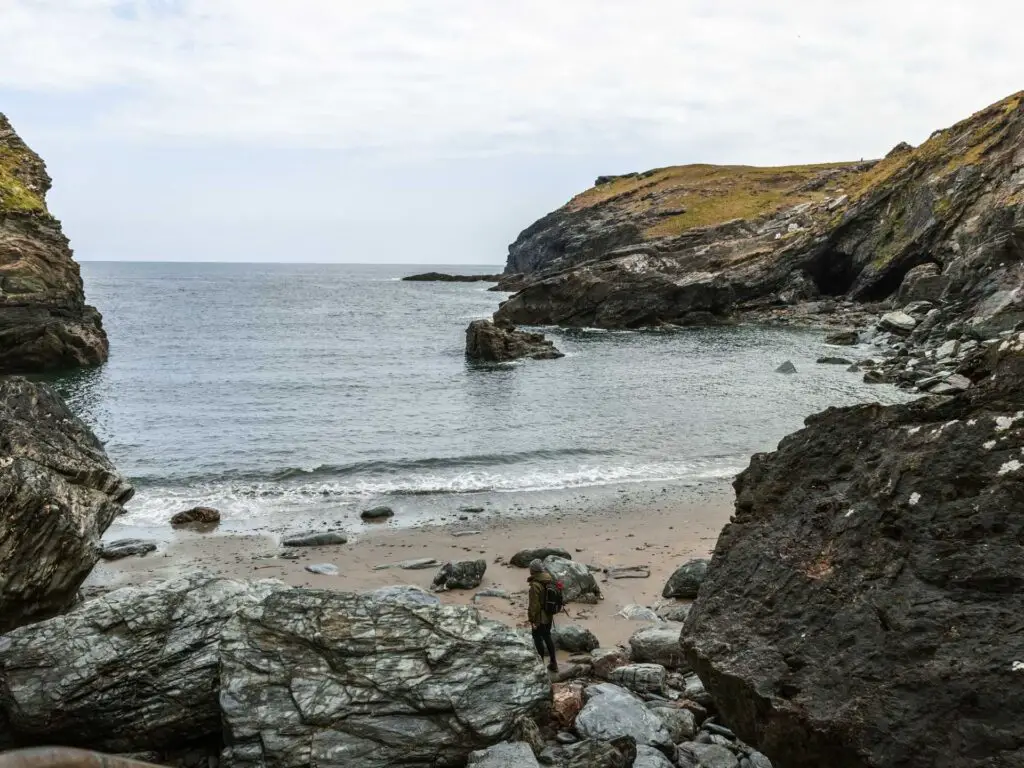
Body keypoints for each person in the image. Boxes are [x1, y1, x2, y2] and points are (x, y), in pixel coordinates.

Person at [527, 559, 558, 672]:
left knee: (537, 638)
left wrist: (532, 620)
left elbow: (534, 605)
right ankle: (553, 663)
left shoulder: (535, 585)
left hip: (540, 617)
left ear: (533, 571)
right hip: (549, 615)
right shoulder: (549, 579)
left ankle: (541, 665)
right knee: (547, 636)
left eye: (530, 568)